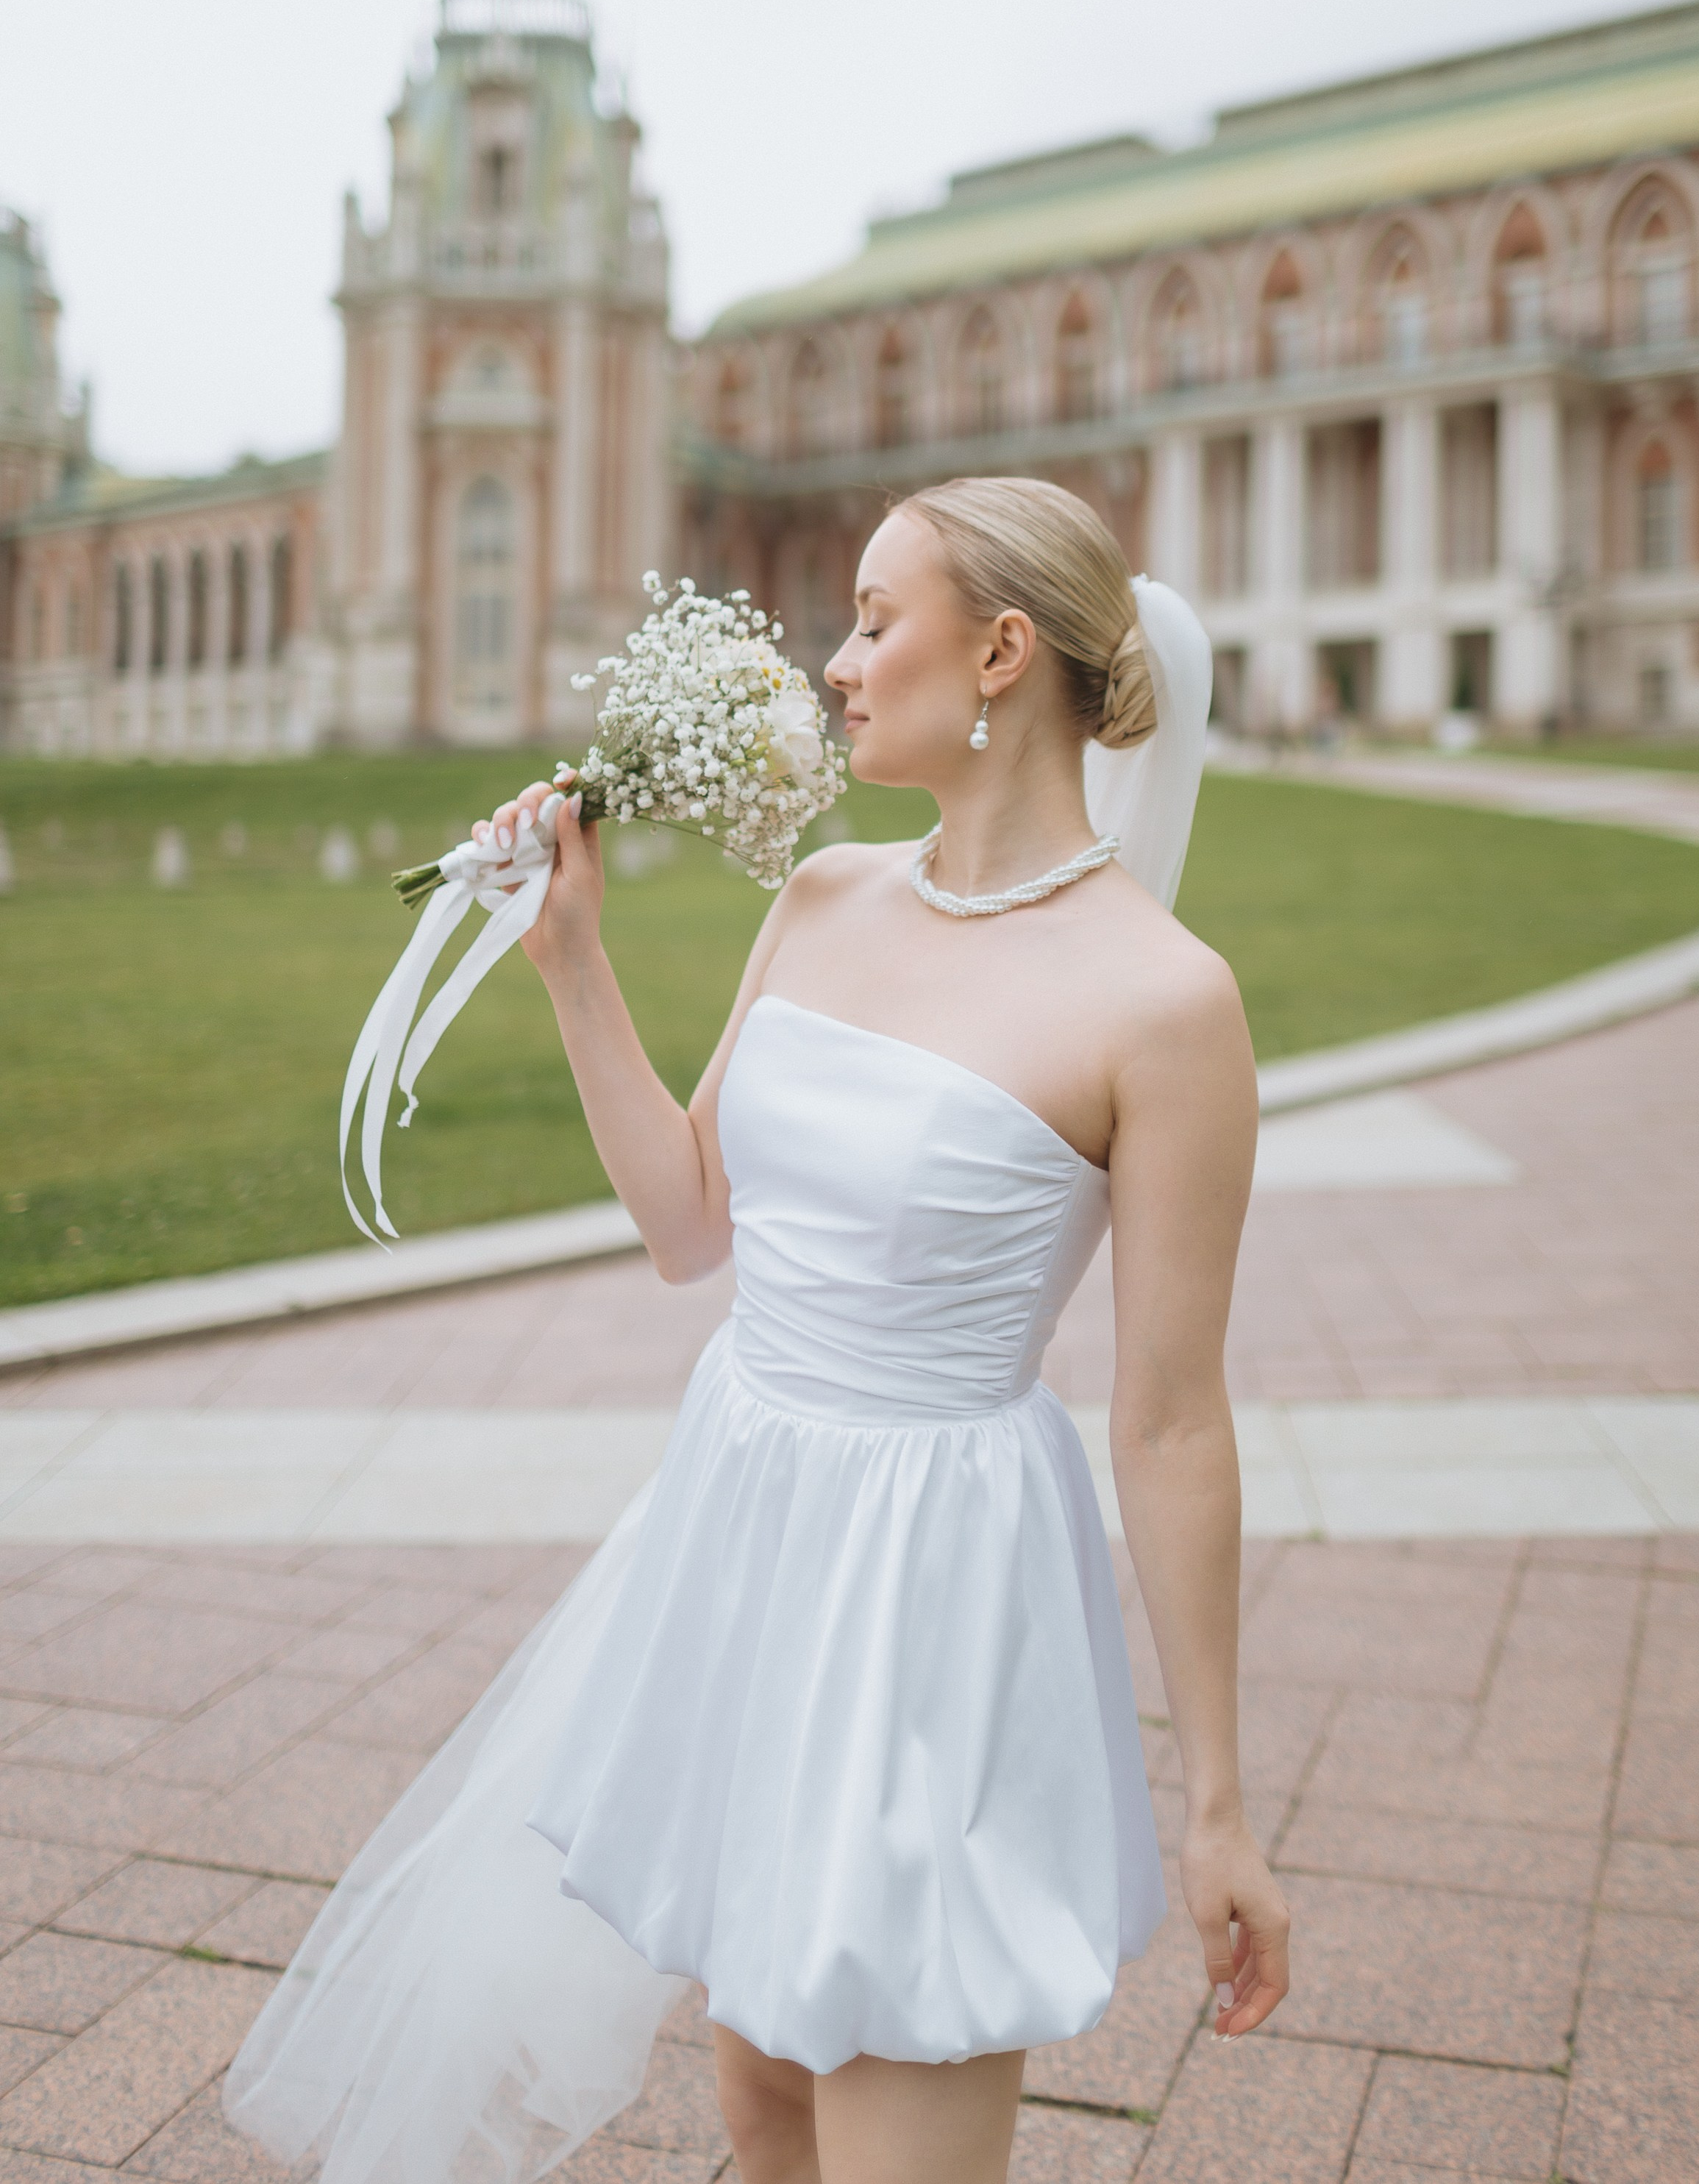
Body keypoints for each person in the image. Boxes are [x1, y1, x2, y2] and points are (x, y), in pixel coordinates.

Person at [226, 476, 1289, 2184]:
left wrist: (1220, 1795)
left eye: (875, 620)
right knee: (762, 2108)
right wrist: (571, 956)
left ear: (1002, 651)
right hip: (747, 1546)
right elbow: (688, 1226)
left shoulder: (1164, 1002)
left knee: (889, 2101)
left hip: (935, 1597)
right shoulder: (817, 906)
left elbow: (1170, 1423)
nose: (838, 667)